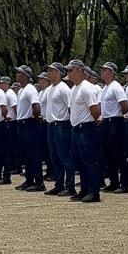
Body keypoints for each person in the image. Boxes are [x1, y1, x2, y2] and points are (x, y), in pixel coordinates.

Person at [66, 59, 102, 202]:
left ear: (80, 70)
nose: (68, 73)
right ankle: (85, 189)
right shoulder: (75, 88)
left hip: (86, 128)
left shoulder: (86, 88)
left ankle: (94, 191)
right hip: (77, 128)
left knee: (90, 161)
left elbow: (94, 109)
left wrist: (94, 123)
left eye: (71, 70)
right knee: (80, 161)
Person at [99, 62, 128, 193]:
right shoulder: (105, 88)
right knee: (109, 154)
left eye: (105, 70)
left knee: (118, 154)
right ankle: (114, 182)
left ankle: (125, 184)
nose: (102, 72)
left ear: (112, 72)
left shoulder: (116, 87)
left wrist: (118, 115)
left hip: (115, 121)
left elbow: (125, 105)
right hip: (106, 121)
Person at [44, 62, 74, 197]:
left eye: (51, 71)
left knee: (65, 157)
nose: (49, 73)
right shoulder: (51, 88)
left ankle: (70, 186)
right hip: (51, 125)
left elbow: (69, 107)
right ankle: (58, 184)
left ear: (58, 73)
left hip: (61, 125)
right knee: (54, 157)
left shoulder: (63, 89)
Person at [14, 66, 43, 191]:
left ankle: (39, 182)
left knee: (33, 154)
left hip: (29, 123)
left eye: (19, 73)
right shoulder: (22, 90)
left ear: (25, 75)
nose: (17, 75)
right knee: (26, 154)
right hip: (22, 123)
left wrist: (35, 118)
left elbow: (36, 106)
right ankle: (29, 179)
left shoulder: (30, 89)